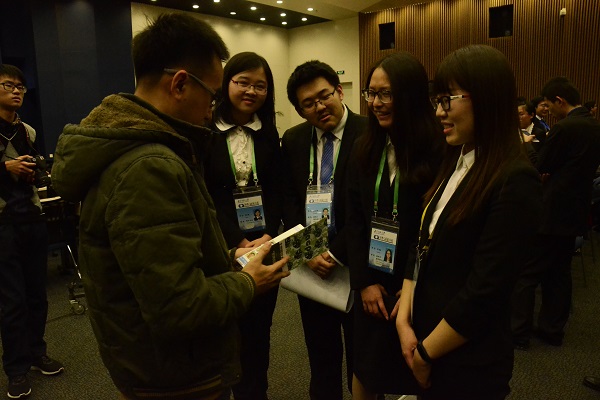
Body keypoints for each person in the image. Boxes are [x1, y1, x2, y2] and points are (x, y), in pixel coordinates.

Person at [51, 14, 289, 400]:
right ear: (179, 83)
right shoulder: (148, 166)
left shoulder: (141, 147)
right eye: (211, 95)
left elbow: (162, 261)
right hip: (174, 374)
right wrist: (248, 281)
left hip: (156, 362)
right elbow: (179, 307)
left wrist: (228, 256)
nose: (211, 110)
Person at [396, 45, 541, 400]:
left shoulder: (514, 178)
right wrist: (404, 318)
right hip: (430, 337)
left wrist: (426, 353)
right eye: (437, 101)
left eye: (448, 99)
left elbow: (485, 292)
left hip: (467, 359)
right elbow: (423, 241)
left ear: (487, 98)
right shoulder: (457, 159)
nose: (439, 112)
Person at [345, 52, 442, 400]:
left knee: (417, 372)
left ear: (410, 95)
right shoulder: (365, 146)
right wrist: (364, 282)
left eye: (386, 94)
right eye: (371, 93)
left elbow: (435, 228)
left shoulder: (438, 149)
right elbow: (354, 219)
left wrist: (412, 285)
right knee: (365, 369)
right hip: (372, 283)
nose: (376, 103)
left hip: (414, 286)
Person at [281, 60, 368, 400]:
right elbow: (289, 200)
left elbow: (369, 207)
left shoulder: (370, 133)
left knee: (363, 361)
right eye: (308, 103)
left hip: (358, 265)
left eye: (324, 96)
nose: (319, 106)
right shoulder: (294, 140)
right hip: (312, 267)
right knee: (321, 358)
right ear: (300, 110)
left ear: (339, 91)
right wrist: (308, 249)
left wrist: (334, 251)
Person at [203, 51, 282, 400]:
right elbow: (204, 195)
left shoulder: (268, 133)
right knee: (223, 333)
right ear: (226, 83)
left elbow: (278, 188)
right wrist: (235, 241)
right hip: (221, 248)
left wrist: (268, 233)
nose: (251, 91)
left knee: (258, 334)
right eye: (243, 82)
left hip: (263, 246)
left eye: (260, 86)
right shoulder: (205, 132)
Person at [511, 77, 600, 350]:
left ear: (560, 101)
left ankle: (518, 333)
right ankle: (552, 330)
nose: (547, 112)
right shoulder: (593, 126)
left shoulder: (565, 128)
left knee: (527, 272)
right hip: (575, 211)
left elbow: (541, 165)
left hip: (551, 211)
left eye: (549, 106)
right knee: (559, 273)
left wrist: (525, 143)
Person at [0, 64, 64, 399]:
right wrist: (5, 167)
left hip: (32, 218)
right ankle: (16, 369)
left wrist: (33, 172)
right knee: (12, 302)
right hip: (3, 225)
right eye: (8, 85)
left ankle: (37, 353)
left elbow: (34, 170)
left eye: (20, 87)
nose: (16, 91)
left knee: (38, 295)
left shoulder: (27, 131)